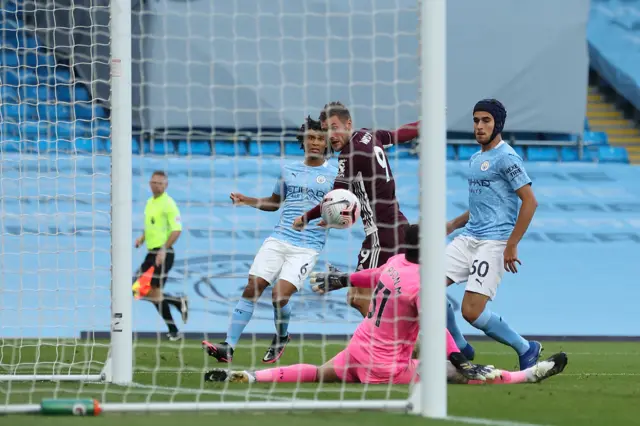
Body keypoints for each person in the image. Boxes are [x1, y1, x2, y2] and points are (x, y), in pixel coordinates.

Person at [204, 225, 568, 385]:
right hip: (386, 367)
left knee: (318, 372)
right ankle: (527, 375)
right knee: (459, 376)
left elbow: (371, 274)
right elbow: (434, 327)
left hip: (357, 351)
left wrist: (342, 279)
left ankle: (253, 376)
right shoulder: (423, 281)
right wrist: (459, 360)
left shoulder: (396, 263)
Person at [202, 116, 337, 364]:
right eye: (310, 138)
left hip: (307, 247)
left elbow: (343, 209)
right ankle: (228, 346)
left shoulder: (336, 174)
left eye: (320, 138)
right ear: (303, 141)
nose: (315, 142)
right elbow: (275, 203)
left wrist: (332, 220)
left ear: (328, 141)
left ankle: (282, 336)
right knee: (252, 286)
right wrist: (247, 200)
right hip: (278, 238)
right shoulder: (288, 170)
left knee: (279, 296)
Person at [293, 101, 419, 318]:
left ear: (348, 123)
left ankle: (390, 342)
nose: (330, 135)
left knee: (358, 297)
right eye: (326, 130)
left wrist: (304, 218)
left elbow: (334, 197)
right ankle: (412, 342)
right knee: (389, 295)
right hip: (399, 225)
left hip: (381, 235)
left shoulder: (348, 155)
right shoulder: (370, 135)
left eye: (334, 127)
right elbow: (400, 134)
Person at [445, 99, 541, 370]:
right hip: (469, 238)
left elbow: (530, 201)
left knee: (471, 311)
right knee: (423, 287)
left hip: (494, 242)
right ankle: (459, 345)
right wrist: (454, 224)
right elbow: (482, 205)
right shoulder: (476, 158)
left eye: (486, 120)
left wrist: (512, 244)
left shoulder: (506, 157)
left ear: (497, 123)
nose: (479, 126)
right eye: (476, 120)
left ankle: (526, 347)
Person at [133, 170, 188, 341]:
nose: (156, 185)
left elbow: (177, 230)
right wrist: (142, 238)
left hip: (164, 253)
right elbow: (153, 226)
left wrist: (164, 249)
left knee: (153, 291)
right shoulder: (150, 202)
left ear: (166, 185)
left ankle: (173, 330)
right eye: (153, 182)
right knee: (137, 289)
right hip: (151, 253)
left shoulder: (169, 204)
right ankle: (177, 302)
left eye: (160, 183)